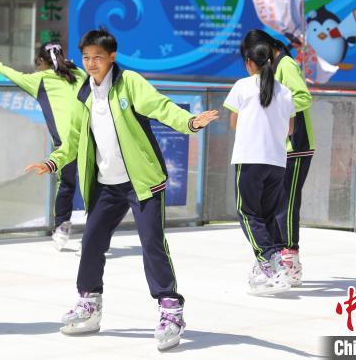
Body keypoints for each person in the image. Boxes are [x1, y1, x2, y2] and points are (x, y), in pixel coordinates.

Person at [25, 28, 218, 351]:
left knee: (152, 243)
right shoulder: (83, 93)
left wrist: (190, 122)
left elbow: (161, 107)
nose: (91, 64)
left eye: (97, 57)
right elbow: (72, 140)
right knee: (91, 242)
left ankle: (170, 308)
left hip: (141, 181)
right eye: (86, 57)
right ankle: (89, 303)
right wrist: (53, 162)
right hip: (106, 185)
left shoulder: (130, 83)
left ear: (112, 57)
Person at [0, 42, 86, 251]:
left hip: (65, 143)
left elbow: (16, 77)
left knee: (67, 184)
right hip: (89, 137)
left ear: (42, 62)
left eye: (37, 64)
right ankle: (96, 231)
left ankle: (61, 227)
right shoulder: (79, 74)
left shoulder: (40, 80)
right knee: (94, 186)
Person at [224, 30, 295, 296]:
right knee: (267, 215)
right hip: (276, 160)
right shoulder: (285, 91)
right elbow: (290, 129)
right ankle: (270, 266)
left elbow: (233, 122)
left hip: (249, 158)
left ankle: (270, 263)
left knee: (248, 213)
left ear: (249, 62)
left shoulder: (242, 86)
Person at [264, 32, 314, 287]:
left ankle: (291, 259)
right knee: (275, 203)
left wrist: (279, 107)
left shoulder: (286, 64)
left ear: (272, 48)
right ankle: (281, 255)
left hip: (297, 145)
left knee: (287, 203)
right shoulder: (273, 68)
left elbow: (303, 97)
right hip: (280, 147)